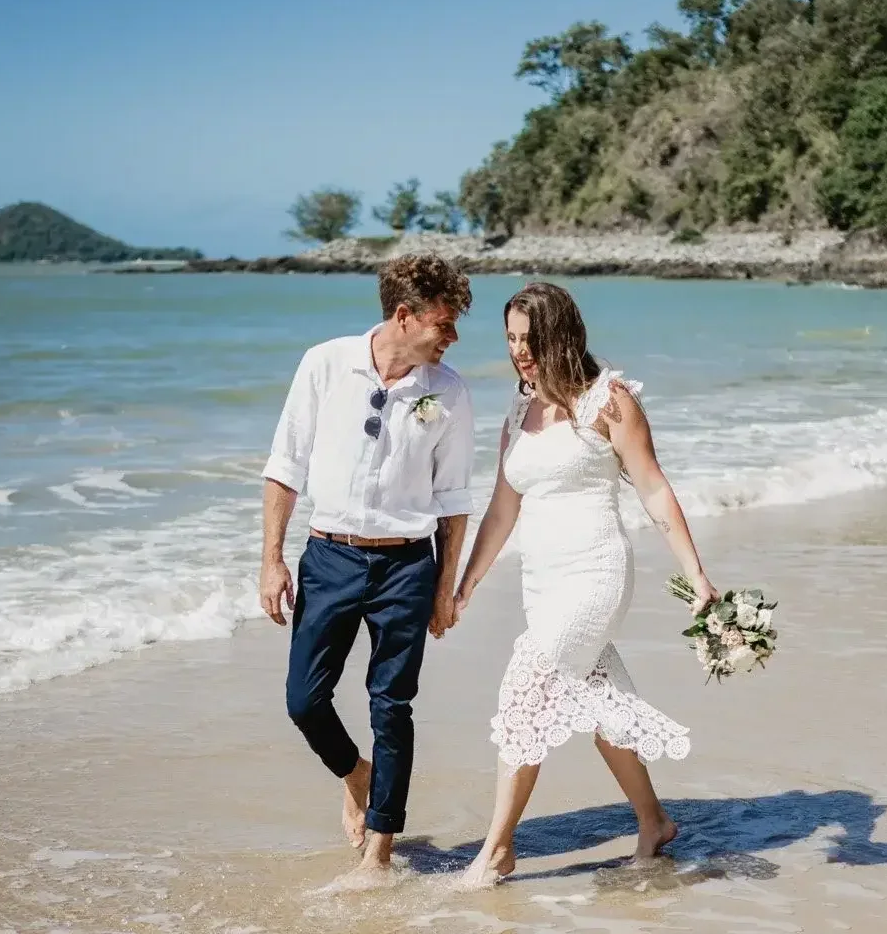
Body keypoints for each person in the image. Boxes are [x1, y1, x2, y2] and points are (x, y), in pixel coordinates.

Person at [453, 281, 716, 886]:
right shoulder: (519, 413)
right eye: (512, 339)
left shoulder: (609, 400)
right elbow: (501, 510)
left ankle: (497, 848)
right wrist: (464, 586)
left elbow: (652, 488)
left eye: (530, 338)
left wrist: (696, 576)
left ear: (561, 334)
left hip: (595, 574)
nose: (520, 351)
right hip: (542, 586)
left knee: (525, 686)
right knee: (602, 705)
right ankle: (654, 822)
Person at [260, 252, 475, 885]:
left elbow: (455, 499)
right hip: (329, 557)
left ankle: (380, 852)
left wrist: (446, 588)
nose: (453, 337)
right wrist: (271, 559)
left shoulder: (450, 391)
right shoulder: (325, 364)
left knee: (392, 706)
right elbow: (285, 466)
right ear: (404, 316)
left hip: (408, 566)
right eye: (444, 323)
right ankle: (356, 773)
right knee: (305, 701)